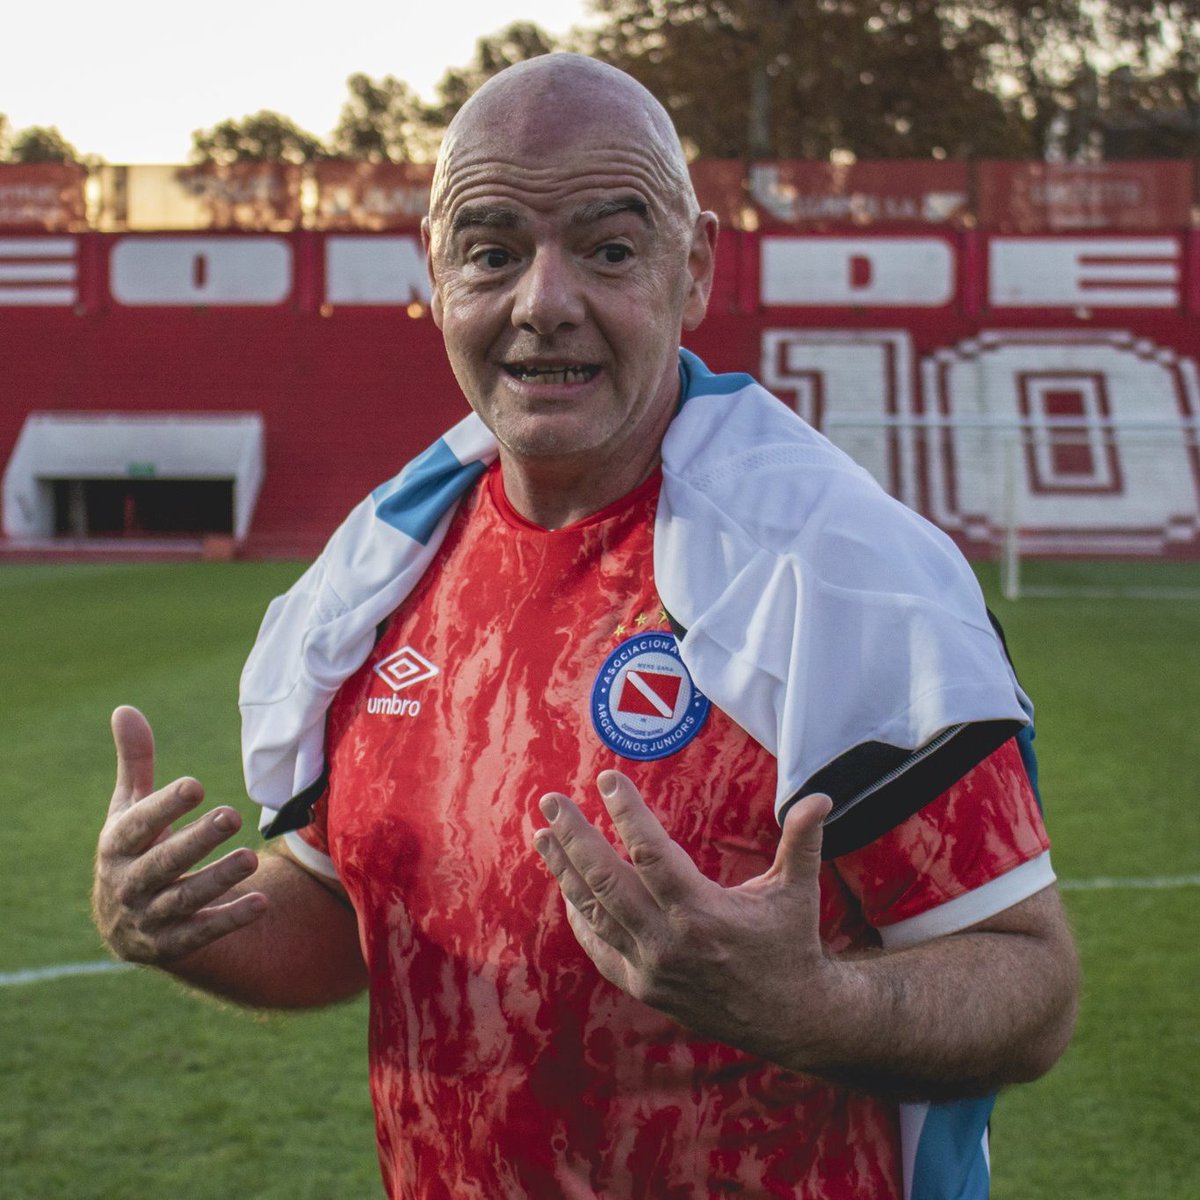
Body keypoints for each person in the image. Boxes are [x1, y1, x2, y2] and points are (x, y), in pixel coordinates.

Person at [93, 53, 1079, 1199]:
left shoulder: (842, 572)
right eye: (495, 251)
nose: (544, 302)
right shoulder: (379, 569)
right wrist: (178, 919)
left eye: (609, 249)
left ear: (693, 265)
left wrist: (810, 1004)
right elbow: (348, 915)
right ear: (438, 269)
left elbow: (1030, 983)